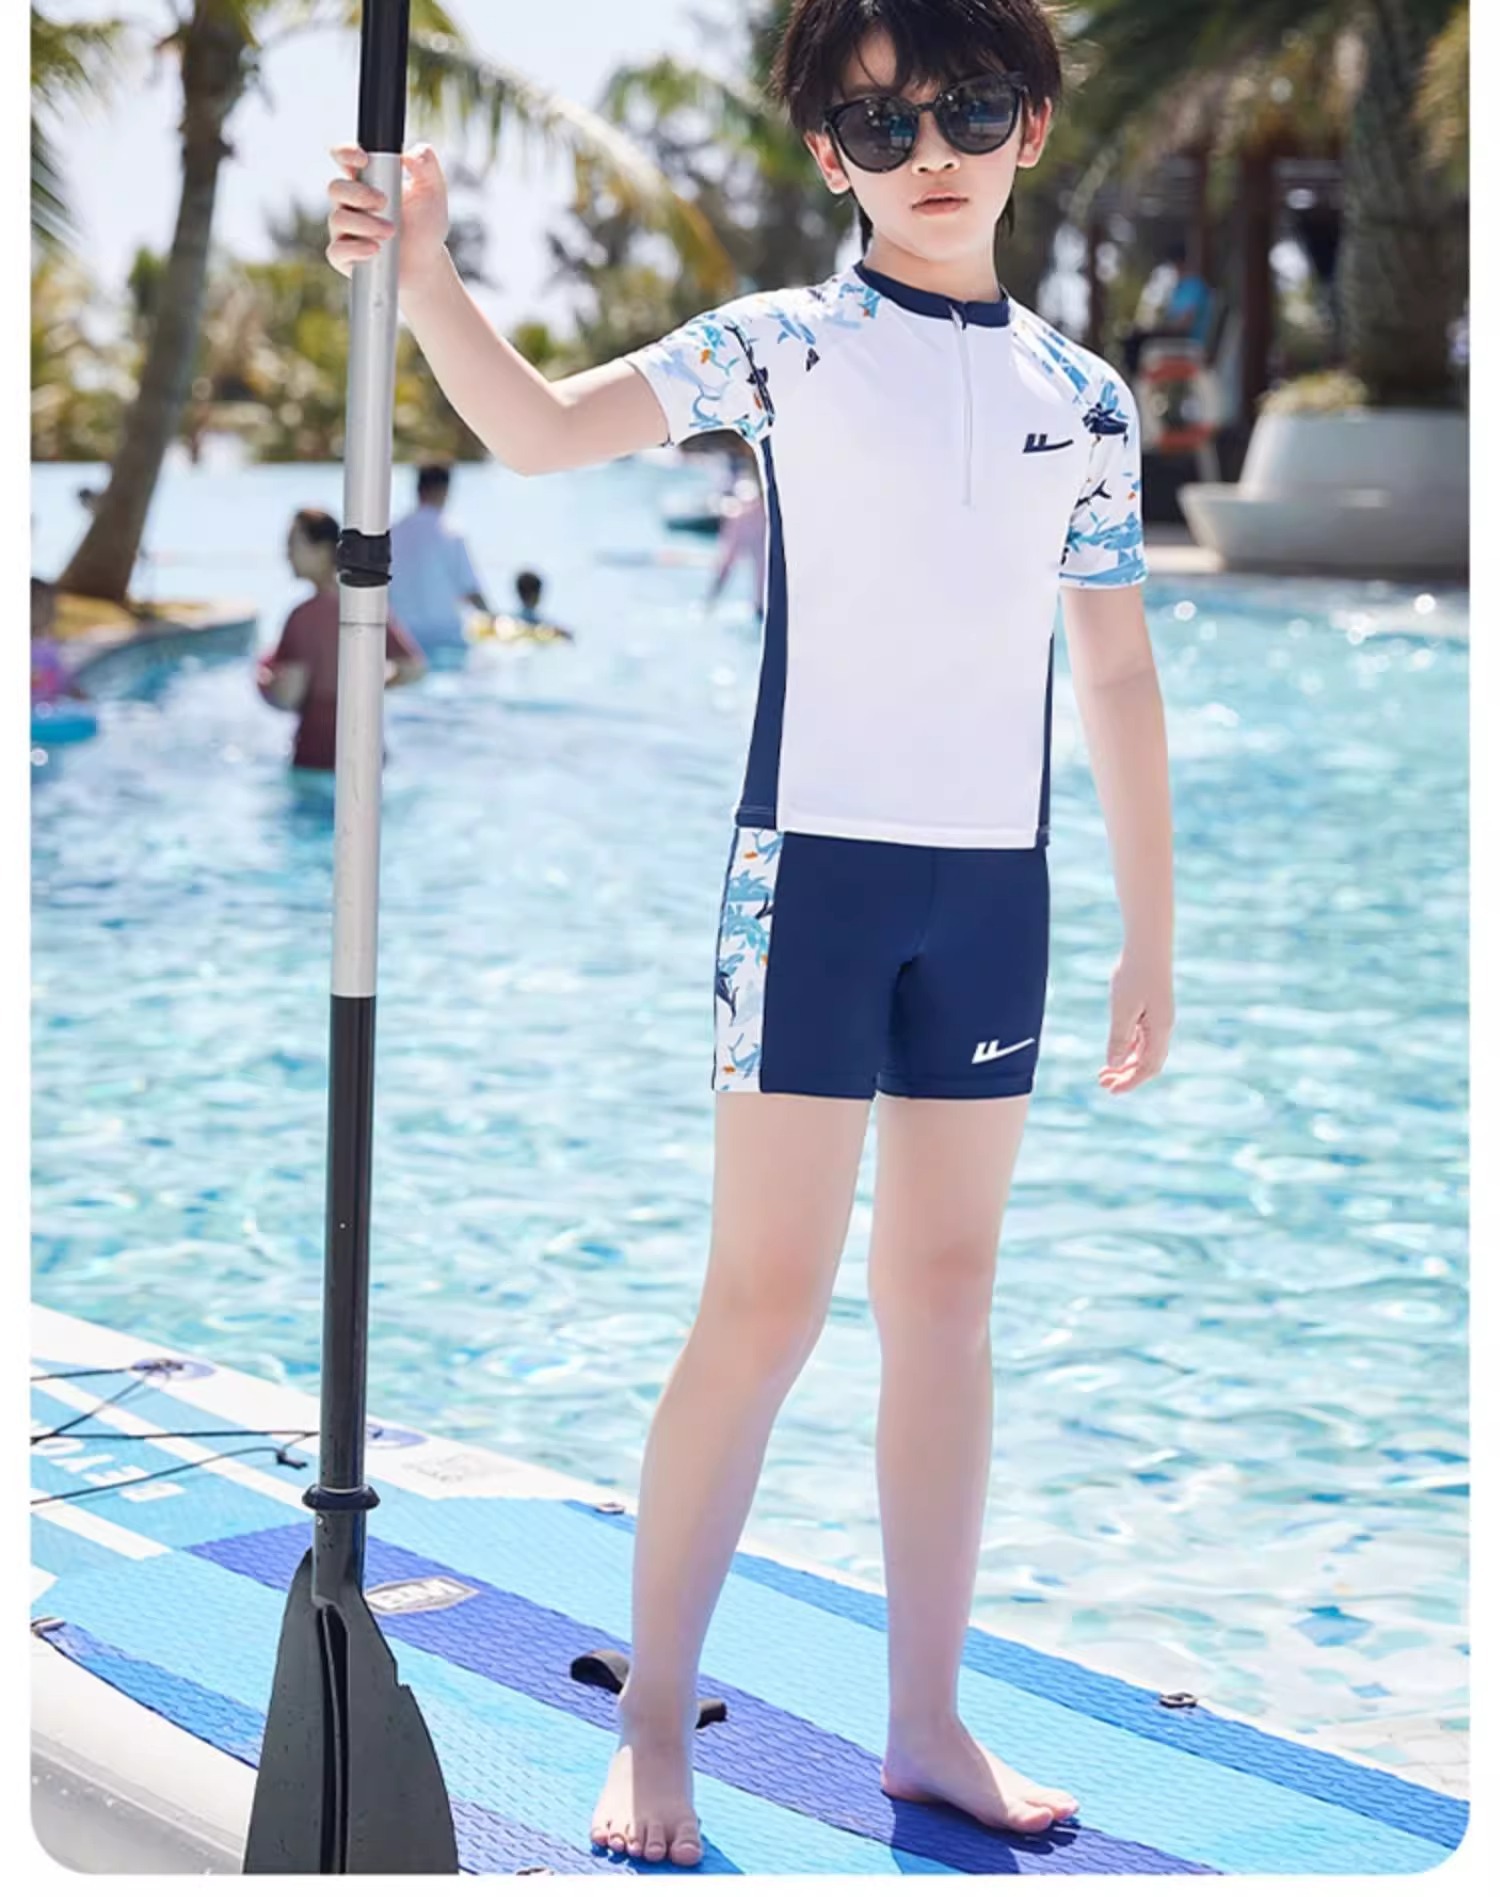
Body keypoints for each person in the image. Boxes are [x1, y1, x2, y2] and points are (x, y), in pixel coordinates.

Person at [326, 0, 1173, 1866]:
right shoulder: (782, 346)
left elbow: (1114, 668)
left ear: (1032, 124)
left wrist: (1153, 930)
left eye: (966, 109)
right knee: (765, 1302)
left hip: (997, 893)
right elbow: (539, 433)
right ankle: (652, 1722)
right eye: (878, 126)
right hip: (814, 888)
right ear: (825, 157)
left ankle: (926, 1720)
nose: (926, 153)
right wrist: (430, 274)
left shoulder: (1089, 399)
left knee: (948, 1302)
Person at [257, 507, 426, 771]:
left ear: (323, 550)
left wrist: (264, 679)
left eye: (293, 544)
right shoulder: (367, 607)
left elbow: (289, 695)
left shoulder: (302, 617)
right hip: (368, 753)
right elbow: (413, 668)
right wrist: (364, 686)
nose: (287, 554)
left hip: (315, 756)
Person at [388, 463, 493, 650]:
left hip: (402, 639)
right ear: (444, 490)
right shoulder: (450, 532)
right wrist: (494, 620)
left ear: (418, 489)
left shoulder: (393, 533)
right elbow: (470, 590)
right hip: (446, 639)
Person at [1123, 237, 1213, 376]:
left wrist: (1162, 328)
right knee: (1134, 337)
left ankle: (1134, 378)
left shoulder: (1195, 287)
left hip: (1188, 340)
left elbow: (1185, 323)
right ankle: (1134, 378)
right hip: (1177, 336)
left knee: (1137, 341)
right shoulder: (1179, 288)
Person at [706, 475, 768, 614]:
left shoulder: (742, 519)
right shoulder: (771, 513)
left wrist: (711, 598)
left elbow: (726, 564)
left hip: (765, 602)